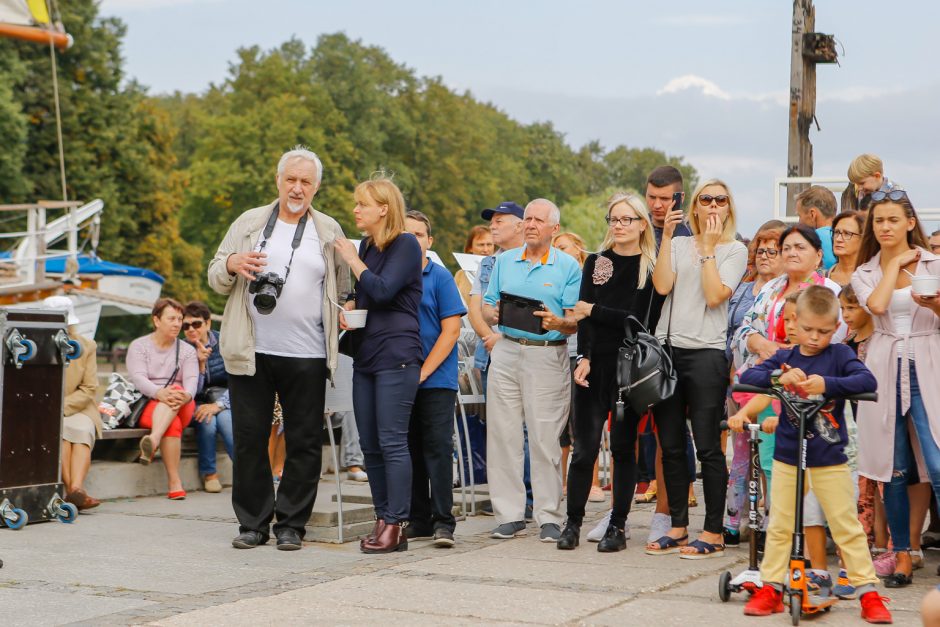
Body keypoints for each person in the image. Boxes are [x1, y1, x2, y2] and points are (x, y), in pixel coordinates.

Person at [208, 146, 350, 551]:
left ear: (317, 187)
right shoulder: (250, 222)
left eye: (306, 181)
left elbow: (343, 288)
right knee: (250, 438)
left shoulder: (328, 229)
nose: (297, 188)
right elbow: (215, 275)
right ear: (278, 181)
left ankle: (291, 524)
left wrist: (350, 308)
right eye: (291, 179)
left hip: (307, 351)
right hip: (250, 350)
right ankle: (252, 523)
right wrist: (233, 262)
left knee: (304, 440)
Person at [733, 286, 891, 624]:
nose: (815, 337)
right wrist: (779, 375)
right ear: (795, 324)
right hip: (789, 457)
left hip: (828, 457)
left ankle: (868, 592)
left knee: (846, 526)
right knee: (780, 525)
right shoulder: (786, 356)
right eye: (808, 329)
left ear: (836, 328)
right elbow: (749, 376)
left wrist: (827, 384)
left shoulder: (839, 356)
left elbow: (866, 379)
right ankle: (772, 587)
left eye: (823, 331)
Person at [645, 179, 747, 559]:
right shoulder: (679, 242)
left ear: (729, 207)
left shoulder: (735, 249)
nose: (713, 205)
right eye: (706, 199)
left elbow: (716, 294)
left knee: (707, 446)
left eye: (721, 199)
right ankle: (677, 525)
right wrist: (670, 236)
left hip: (705, 353)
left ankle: (714, 530)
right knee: (670, 444)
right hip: (668, 350)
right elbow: (661, 286)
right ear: (696, 207)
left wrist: (706, 251)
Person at [556, 193, 660, 552]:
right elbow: (583, 317)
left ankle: (618, 523)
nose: (618, 225)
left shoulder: (650, 266)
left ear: (642, 224)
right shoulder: (597, 262)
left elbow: (638, 319)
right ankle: (572, 522)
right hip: (593, 362)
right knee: (584, 449)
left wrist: (593, 309)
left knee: (622, 448)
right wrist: (583, 355)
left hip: (629, 367)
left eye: (626, 219)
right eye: (613, 219)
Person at [851, 188, 940, 588]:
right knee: (894, 466)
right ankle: (903, 551)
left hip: (929, 362)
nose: (885, 227)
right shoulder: (865, 271)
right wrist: (895, 266)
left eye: (892, 219)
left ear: (909, 222)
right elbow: (879, 306)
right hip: (886, 365)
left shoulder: (935, 263)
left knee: (937, 463)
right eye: (878, 220)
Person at [482, 198, 581, 542]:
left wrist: (559, 322)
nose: (530, 224)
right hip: (507, 350)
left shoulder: (568, 266)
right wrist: (490, 314)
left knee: (544, 438)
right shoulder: (505, 260)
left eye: (539, 220)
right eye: (527, 219)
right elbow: (486, 303)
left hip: (547, 353)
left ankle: (549, 516)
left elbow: (574, 321)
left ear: (554, 228)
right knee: (503, 434)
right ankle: (509, 514)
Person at [334, 176, 423, 554]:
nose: (356, 210)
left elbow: (385, 290)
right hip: (367, 353)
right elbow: (369, 291)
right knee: (370, 444)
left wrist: (352, 259)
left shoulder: (405, 244)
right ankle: (383, 516)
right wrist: (352, 304)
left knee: (391, 441)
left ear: (383, 208)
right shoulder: (368, 245)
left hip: (397, 354)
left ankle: (397, 522)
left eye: (362, 204)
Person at [401, 210, 466, 548]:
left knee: (437, 449)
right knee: (408, 449)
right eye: (406, 235)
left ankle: (444, 521)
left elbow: (451, 330)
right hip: (398, 379)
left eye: (419, 235)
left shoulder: (439, 278)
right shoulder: (394, 277)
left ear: (430, 241)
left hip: (436, 379)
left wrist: (423, 371)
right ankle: (418, 519)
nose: (413, 241)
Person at [466, 201, 532, 518]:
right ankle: (508, 503)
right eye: (491, 220)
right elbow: (476, 308)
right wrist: (489, 337)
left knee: (530, 428)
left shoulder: (536, 258)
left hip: (529, 352)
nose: (493, 224)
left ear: (521, 224)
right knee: (502, 429)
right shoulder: (487, 264)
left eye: (501, 219)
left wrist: (502, 335)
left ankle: (531, 497)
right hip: (492, 353)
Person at [722, 220, 785, 545]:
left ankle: (770, 519)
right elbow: (732, 333)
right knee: (742, 451)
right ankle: (735, 518)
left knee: (772, 453)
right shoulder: (744, 290)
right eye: (759, 250)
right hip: (740, 377)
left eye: (772, 251)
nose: (764, 256)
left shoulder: (785, 293)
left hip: (774, 383)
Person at [126, 298, 198, 500]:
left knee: (176, 390)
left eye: (179, 319)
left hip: (182, 403)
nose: (177, 323)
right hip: (149, 403)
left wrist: (184, 395)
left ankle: (153, 439)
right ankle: (175, 483)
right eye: (171, 319)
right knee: (172, 424)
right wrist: (159, 393)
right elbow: (138, 378)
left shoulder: (187, 350)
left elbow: (192, 381)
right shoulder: (139, 346)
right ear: (156, 321)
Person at [552, 231, 601, 502]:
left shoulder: (590, 276)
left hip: (579, 354)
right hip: (557, 352)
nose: (558, 252)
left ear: (578, 249)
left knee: (582, 422)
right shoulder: (555, 275)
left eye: (563, 247)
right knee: (560, 427)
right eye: (555, 248)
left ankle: (593, 482)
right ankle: (561, 482)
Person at [44, 296, 101, 511]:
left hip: (80, 407)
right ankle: (75, 491)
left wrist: (61, 407)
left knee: (82, 430)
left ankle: (74, 490)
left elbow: (89, 388)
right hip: (47, 408)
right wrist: (53, 409)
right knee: (63, 435)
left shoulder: (86, 346)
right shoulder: (37, 345)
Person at [181, 301, 232, 494]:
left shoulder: (224, 342)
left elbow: (238, 381)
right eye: (186, 326)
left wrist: (219, 405)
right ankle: (210, 474)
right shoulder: (183, 349)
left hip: (226, 399)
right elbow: (191, 391)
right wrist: (200, 365)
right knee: (207, 421)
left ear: (208, 323)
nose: (191, 329)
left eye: (196, 324)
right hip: (197, 401)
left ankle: (248, 473)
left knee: (226, 421)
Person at [645, 165, 692, 248]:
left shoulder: (692, 231)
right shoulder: (635, 228)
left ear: (681, 197)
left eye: (664, 199)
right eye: (652, 197)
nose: (657, 205)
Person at [796, 185, 839, 270]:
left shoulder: (810, 240)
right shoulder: (844, 238)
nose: (799, 222)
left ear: (812, 214)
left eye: (799, 216)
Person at [454, 224, 494, 305]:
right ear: (470, 247)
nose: (486, 249)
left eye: (489, 244)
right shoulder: (460, 275)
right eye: (481, 245)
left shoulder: (500, 271)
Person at [826, 210, 865, 287]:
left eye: (847, 234)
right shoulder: (821, 277)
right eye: (836, 232)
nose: (838, 239)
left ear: (862, 239)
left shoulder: (872, 278)